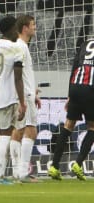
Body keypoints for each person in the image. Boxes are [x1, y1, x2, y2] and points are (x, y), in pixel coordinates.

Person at [0, 16, 26, 184]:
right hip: (8, 97)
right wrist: (22, 102)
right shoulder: (16, 49)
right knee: (5, 136)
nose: (18, 31)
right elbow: (18, 78)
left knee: (1, 135)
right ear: (10, 29)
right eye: (16, 28)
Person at [48, 35, 94, 181]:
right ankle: (78, 163)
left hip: (75, 86)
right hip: (90, 89)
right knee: (93, 128)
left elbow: (75, 67)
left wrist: (69, 94)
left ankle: (54, 166)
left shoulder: (86, 42)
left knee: (68, 125)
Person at [9, 15, 41, 183]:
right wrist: (25, 98)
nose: (35, 27)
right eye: (33, 25)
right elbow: (17, 74)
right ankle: (22, 172)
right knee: (31, 131)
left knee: (18, 131)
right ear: (24, 28)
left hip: (25, 93)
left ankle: (16, 171)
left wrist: (33, 93)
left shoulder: (20, 46)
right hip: (24, 95)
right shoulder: (21, 47)